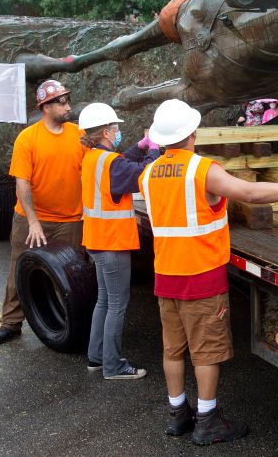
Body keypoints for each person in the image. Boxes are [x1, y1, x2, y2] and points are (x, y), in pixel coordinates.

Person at [140, 99, 278, 444]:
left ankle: (177, 415)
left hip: (165, 275)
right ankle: (208, 420)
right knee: (206, 352)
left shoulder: (148, 174)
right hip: (200, 276)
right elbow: (248, 192)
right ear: (192, 133)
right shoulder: (202, 170)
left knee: (172, 349)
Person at [0, 80, 86, 345]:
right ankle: (10, 323)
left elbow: (90, 173)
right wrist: (33, 223)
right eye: (62, 102)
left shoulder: (79, 135)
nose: (68, 106)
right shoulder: (28, 138)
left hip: (69, 220)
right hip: (31, 219)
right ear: (45, 106)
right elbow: (21, 184)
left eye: (67, 100)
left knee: (71, 275)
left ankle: (68, 326)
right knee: (19, 268)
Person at [78, 103, 159, 380]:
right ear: (104, 132)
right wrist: (155, 150)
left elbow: (123, 161)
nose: (117, 132)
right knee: (117, 304)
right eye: (115, 128)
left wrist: (141, 145)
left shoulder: (93, 157)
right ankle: (113, 366)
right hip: (112, 243)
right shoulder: (111, 164)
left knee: (104, 301)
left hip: (97, 240)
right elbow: (141, 175)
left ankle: (97, 357)